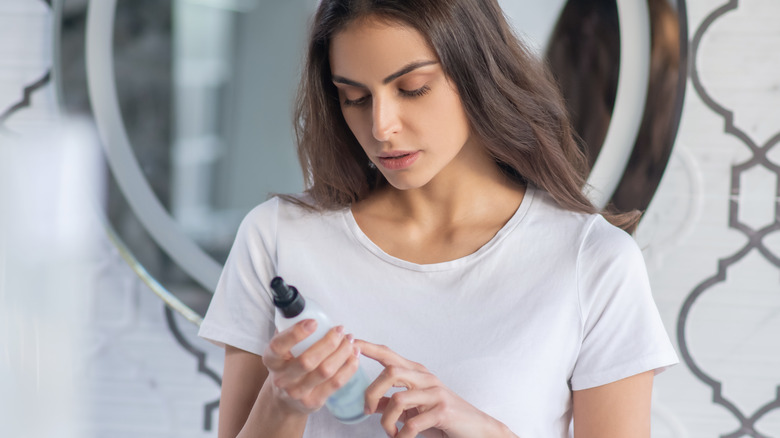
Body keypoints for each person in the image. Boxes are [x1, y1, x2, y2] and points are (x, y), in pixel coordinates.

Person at [197, 0, 679, 437]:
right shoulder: (277, 238)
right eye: (355, 98)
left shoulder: (591, 261)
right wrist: (283, 403)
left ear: (476, 74)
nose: (381, 126)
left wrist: (480, 427)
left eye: (413, 88)